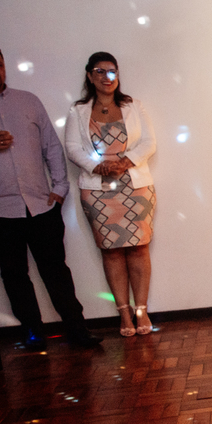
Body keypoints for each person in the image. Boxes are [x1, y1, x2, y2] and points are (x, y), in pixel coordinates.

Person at [0, 42, 100, 350]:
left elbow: (51, 147)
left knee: (56, 270)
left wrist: (59, 189)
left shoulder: (28, 101)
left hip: (40, 205)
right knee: (14, 274)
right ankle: (33, 332)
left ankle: (77, 329)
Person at [64, 52, 157, 336]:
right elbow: (72, 147)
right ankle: (124, 314)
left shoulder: (133, 106)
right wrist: (98, 166)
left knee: (139, 248)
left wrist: (125, 162)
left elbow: (149, 142)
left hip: (136, 186)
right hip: (98, 190)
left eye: (112, 71)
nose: (107, 77)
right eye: (100, 71)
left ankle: (141, 311)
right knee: (112, 250)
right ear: (90, 76)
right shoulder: (78, 110)